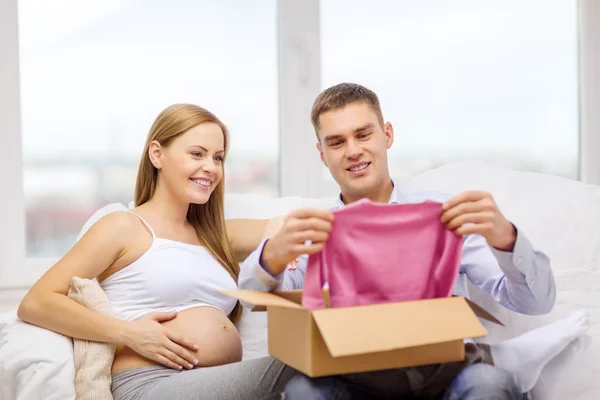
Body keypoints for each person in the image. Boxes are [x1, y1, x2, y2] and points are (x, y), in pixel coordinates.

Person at [238, 83, 584, 399]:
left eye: (363, 134)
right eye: (337, 142)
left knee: (489, 385)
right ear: (322, 154)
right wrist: (272, 257)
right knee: (303, 392)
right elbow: (258, 297)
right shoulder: (312, 231)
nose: (353, 151)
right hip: (354, 381)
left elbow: (536, 302)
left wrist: (506, 240)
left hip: (447, 374)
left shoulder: (445, 216)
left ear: (386, 135)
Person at [17, 104, 298, 400]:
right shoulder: (123, 226)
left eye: (218, 158)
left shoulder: (216, 236)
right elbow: (36, 302)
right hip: (149, 383)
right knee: (305, 362)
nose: (212, 168)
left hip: (210, 382)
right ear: (157, 154)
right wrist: (128, 333)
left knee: (320, 377)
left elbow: (289, 228)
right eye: (197, 154)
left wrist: (287, 236)